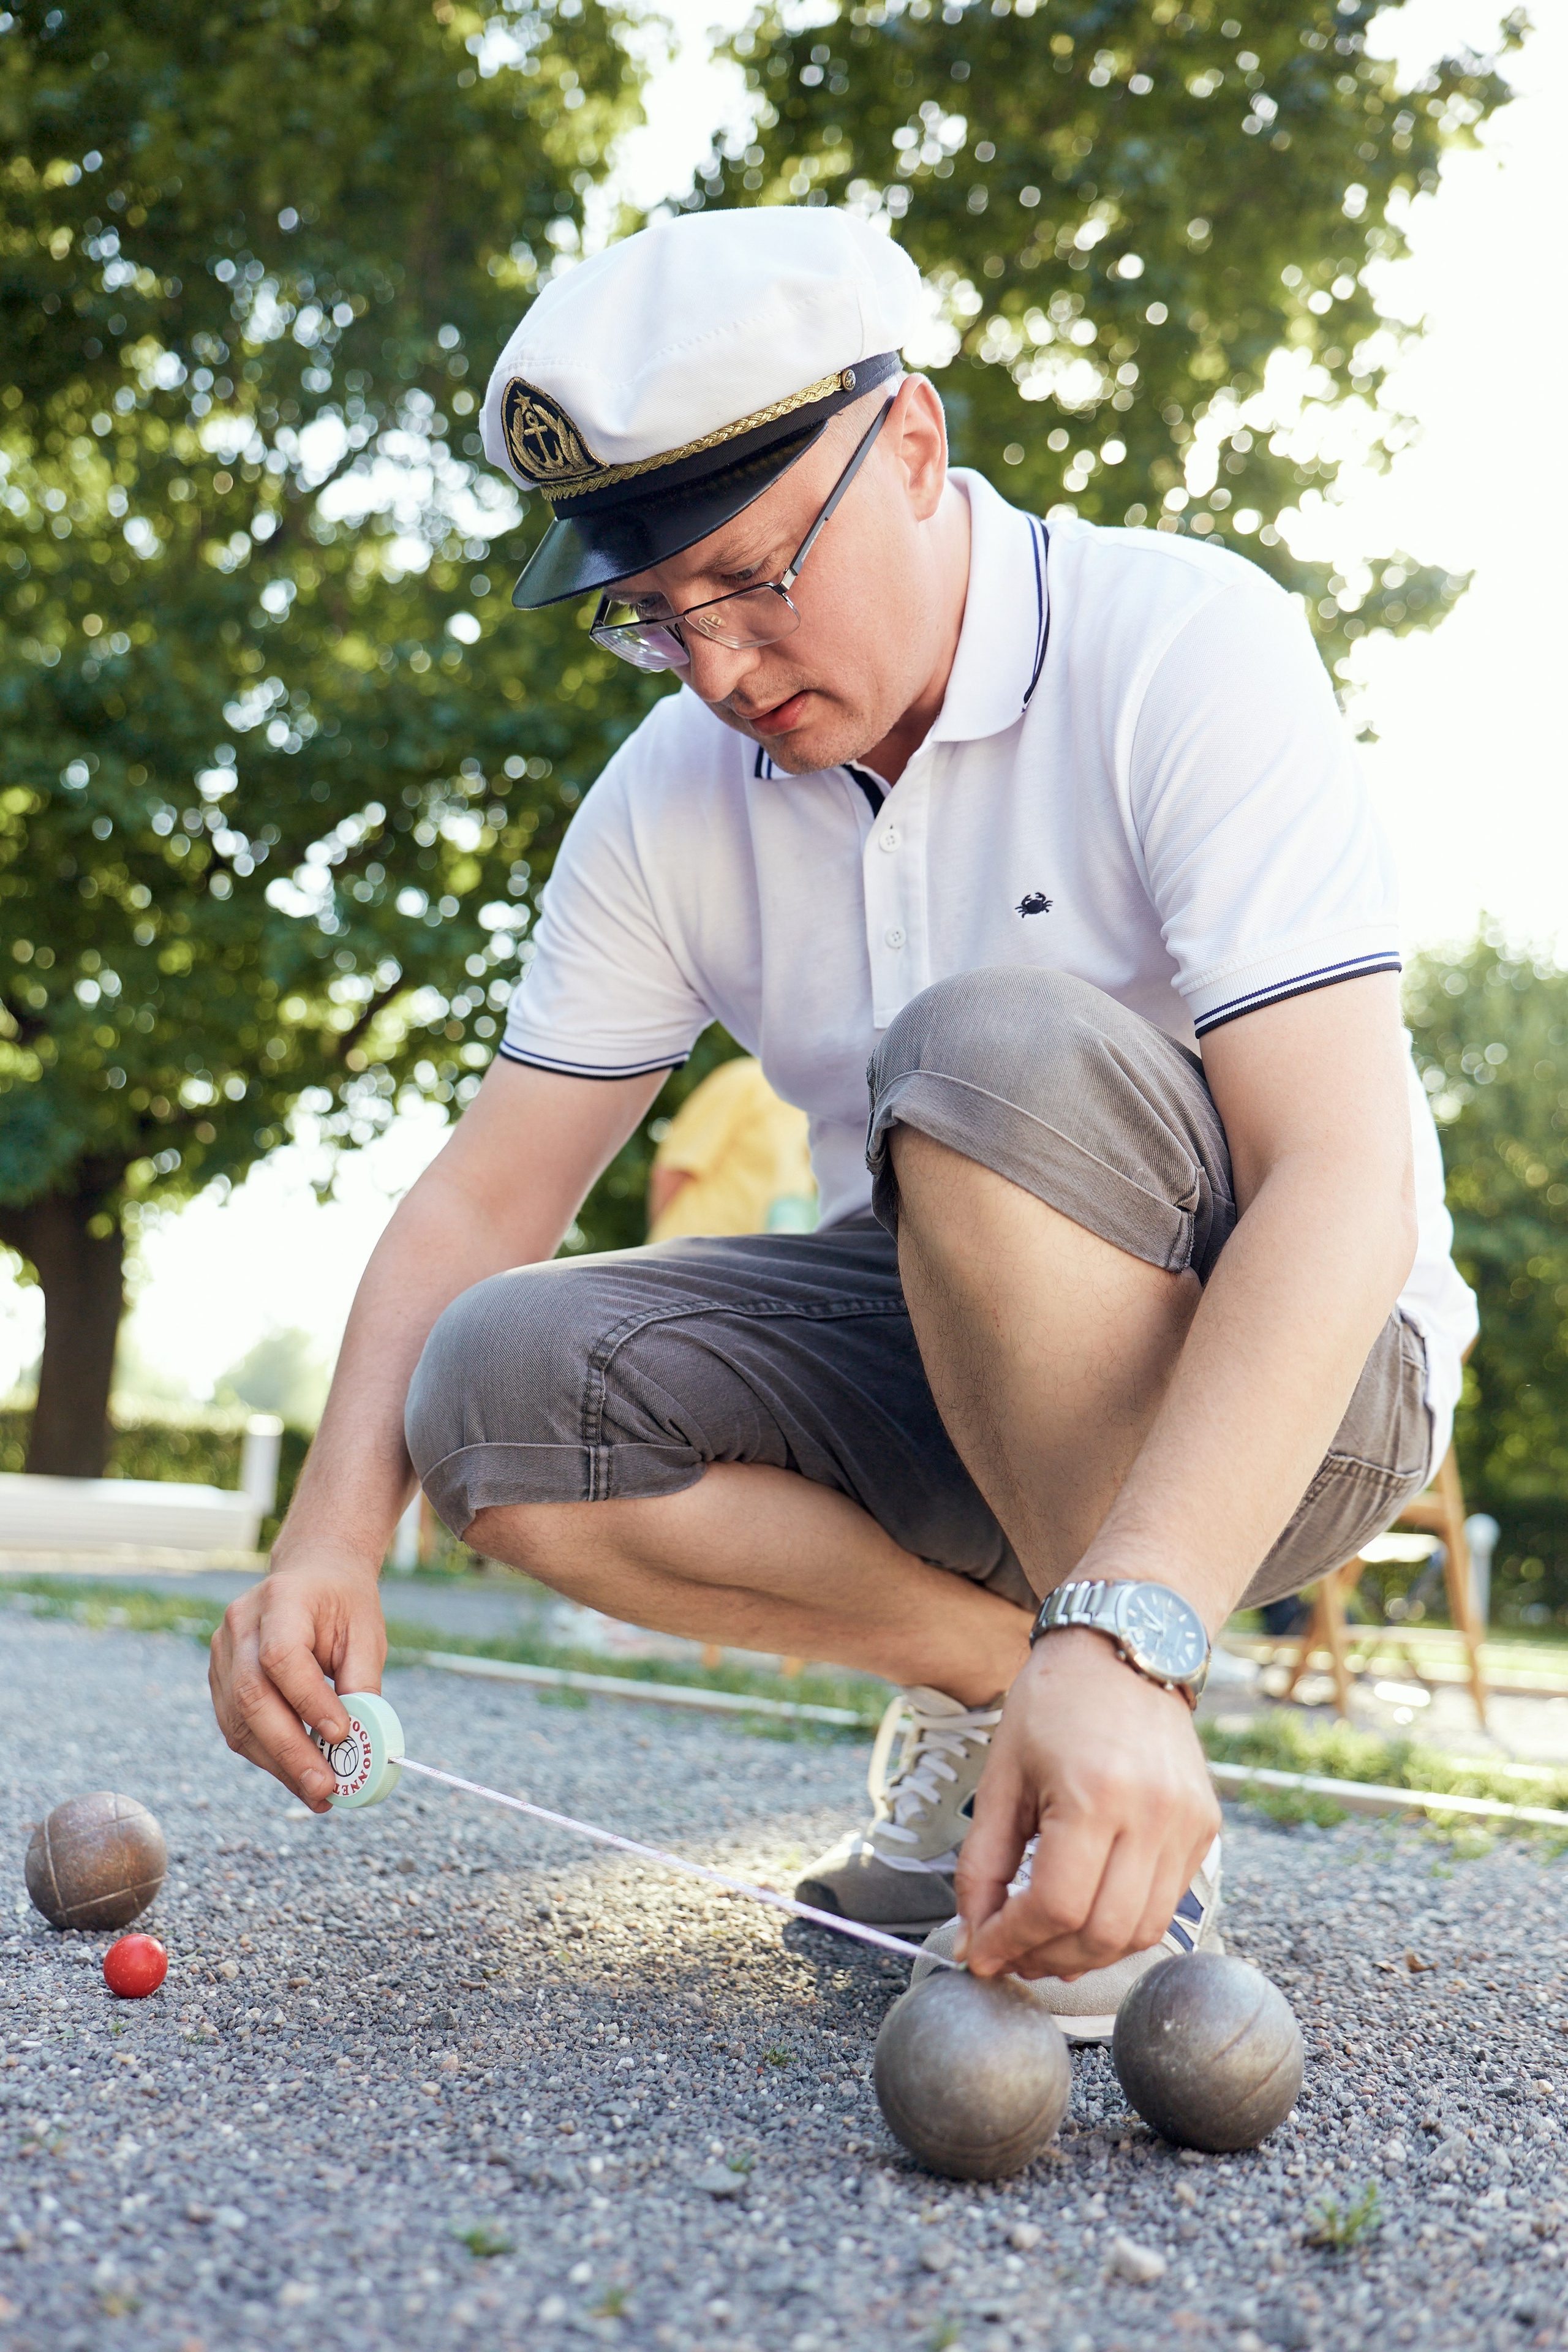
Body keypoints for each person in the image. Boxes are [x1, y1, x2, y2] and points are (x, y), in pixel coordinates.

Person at [209, 207, 1476, 2038]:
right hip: (935, 1364)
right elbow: (487, 1197)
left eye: (745, 578)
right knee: (483, 1386)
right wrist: (325, 1541)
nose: (712, 667)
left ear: (910, 445)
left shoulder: (1183, 642)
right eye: (652, 617)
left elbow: (1344, 1177)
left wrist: (1131, 1628)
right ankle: (1003, 1694)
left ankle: (1110, 1693)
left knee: (973, 1058)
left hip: (1295, 1380)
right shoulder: (668, 803)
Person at [646, 1056, 816, 1243]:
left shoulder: (824, 1121)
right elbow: (673, 1172)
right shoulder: (748, 1080)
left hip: (758, 1267)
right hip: (687, 1257)